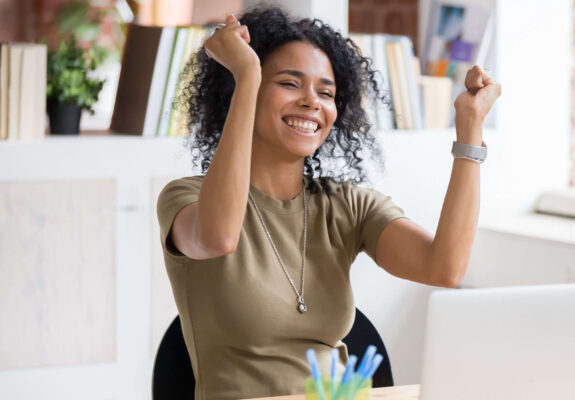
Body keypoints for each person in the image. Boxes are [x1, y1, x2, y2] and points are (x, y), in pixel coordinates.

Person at [156, 5, 500, 400]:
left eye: (326, 92)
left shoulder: (346, 204)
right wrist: (247, 74)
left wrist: (470, 130)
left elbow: (445, 268)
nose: (311, 102)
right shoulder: (186, 197)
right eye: (289, 84)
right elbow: (218, 238)